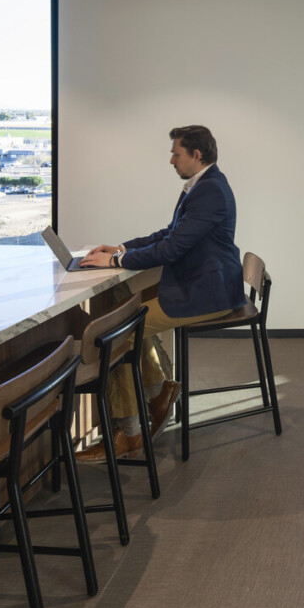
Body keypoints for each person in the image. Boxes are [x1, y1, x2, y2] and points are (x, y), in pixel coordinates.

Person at [77, 124, 245, 459]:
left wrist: (115, 260)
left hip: (208, 292)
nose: (171, 160)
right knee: (125, 314)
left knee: (115, 332)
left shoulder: (209, 190)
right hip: (201, 282)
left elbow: (171, 249)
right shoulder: (202, 185)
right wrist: (121, 248)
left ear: (196, 155)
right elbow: (169, 234)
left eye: (176, 153)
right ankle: (158, 392)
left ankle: (130, 433)